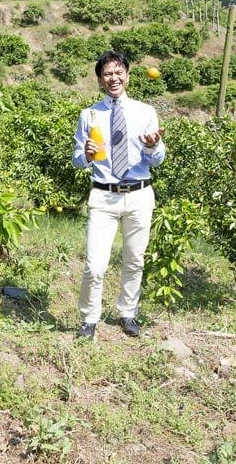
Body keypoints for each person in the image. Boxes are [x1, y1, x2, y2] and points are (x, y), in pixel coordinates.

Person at [72, 50, 165, 338]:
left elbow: (158, 160)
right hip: (103, 196)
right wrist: (87, 156)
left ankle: (128, 313)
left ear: (127, 75)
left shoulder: (145, 112)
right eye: (107, 74)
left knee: (134, 260)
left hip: (139, 194)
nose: (113, 78)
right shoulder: (89, 114)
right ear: (100, 80)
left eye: (118, 73)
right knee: (95, 265)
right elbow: (77, 159)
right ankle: (89, 319)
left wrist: (152, 146)